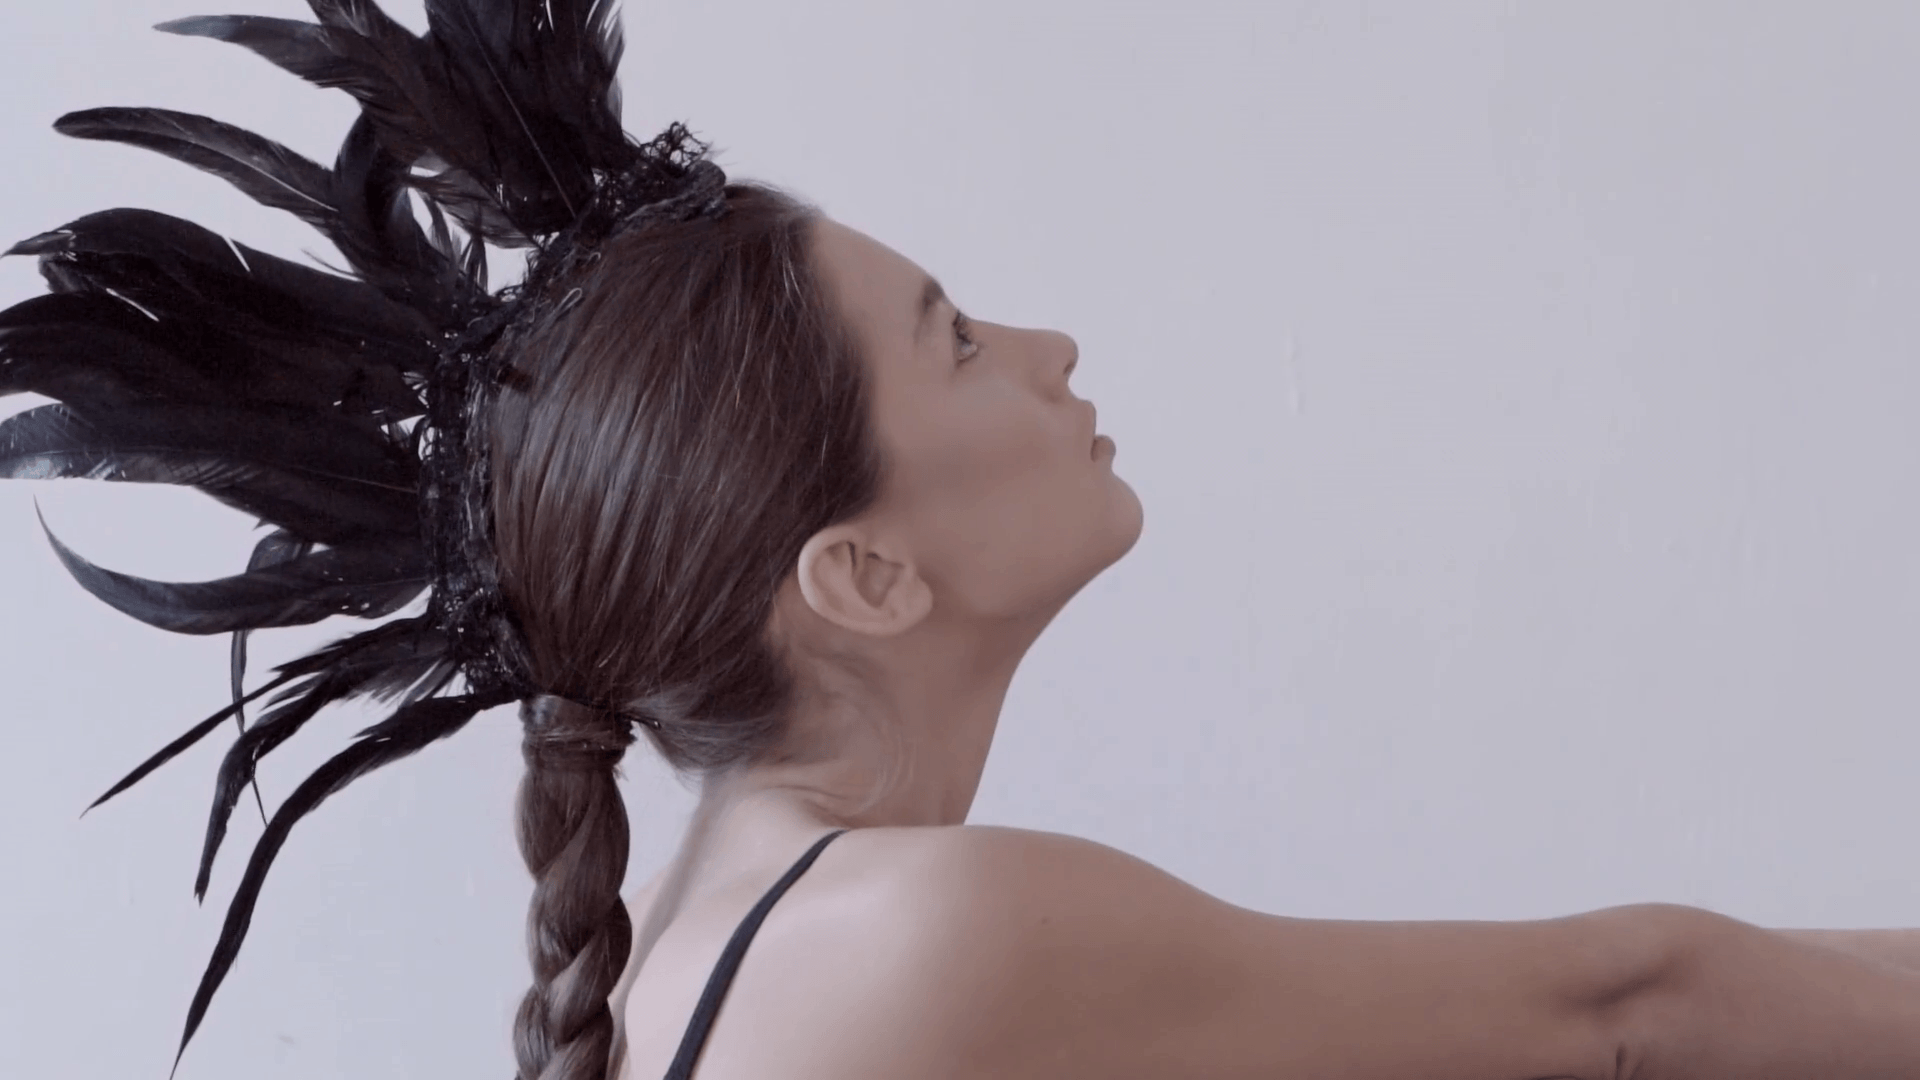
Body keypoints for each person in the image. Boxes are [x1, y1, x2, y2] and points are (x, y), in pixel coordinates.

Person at [6, 2, 1920, 1079]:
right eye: (959, 336)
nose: (1052, 345)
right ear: (861, 575)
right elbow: (1632, 1006)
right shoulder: (929, 933)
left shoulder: (696, 945)